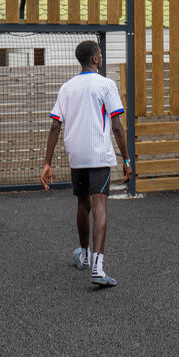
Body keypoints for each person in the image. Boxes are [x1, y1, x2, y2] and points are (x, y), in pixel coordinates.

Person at [41, 40, 132, 287]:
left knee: (83, 205)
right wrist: (126, 159)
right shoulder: (106, 84)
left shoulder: (67, 87)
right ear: (94, 59)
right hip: (98, 154)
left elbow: (54, 125)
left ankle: (83, 255)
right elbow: (116, 126)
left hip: (76, 155)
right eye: (100, 54)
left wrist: (47, 163)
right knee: (100, 206)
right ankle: (98, 268)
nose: (101, 57)